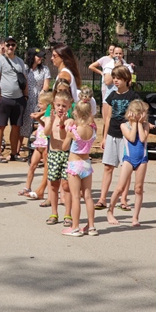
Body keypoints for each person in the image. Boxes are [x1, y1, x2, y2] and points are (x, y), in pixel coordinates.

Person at [94, 66, 140, 211]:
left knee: (125, 168)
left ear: (126, 79)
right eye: (114, 78)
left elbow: (138, 116)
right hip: (112, 135)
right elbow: (108, 117)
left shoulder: (133, 96)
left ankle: (123, 199)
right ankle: (102, 198)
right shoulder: (112, 95)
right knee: (108, 167)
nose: (115, 80)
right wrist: (104, 137)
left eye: (118, 78)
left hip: (126, 136)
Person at [106, 100, 150, 227]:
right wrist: (134, 123)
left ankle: (135, 217)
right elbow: (131, 137)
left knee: (139, 188)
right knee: (120, 187)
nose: (142, 116)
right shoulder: (124, 125)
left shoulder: (145, 125)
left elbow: (142, 138)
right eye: (139, 113)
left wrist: (140, 123)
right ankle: (110, 211)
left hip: (142, 158)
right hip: (129, 158)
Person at [62, 99, 98, 237]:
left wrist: (68, 134)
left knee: (76, 196)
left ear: (76, 112)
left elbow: (64, 147)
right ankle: (92, 226)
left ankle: (75, 227)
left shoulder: (74, 131)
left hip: (75, 164)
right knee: (88, 196)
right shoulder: (93, 129)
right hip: (86, 163)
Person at [0, 36, 28, 163]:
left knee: (16, 127)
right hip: (4, 99)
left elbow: (24, 79)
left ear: (15, 46)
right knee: (0, 126)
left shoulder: (20, 61)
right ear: (4, 46)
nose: (10, 47)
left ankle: (14, 153)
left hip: (19, 99)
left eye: (13, 45)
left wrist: (25, 96)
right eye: (8, 45)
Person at [43, 90, 73, 226]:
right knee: (54, 184)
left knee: (66, 185)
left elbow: (64, 136)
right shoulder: (49, 118)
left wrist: (61, 124)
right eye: (58, 105)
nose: (61, 108)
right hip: (53, 154)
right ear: (53, 105)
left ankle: (68, 214)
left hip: (66, 155)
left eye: (64, 106)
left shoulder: (70, 121)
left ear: (69, 107)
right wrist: (51, 122)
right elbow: (46, 133)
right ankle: (54, 213)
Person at [18, 91, 52, 199]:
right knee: (32, 165)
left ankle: (48, 190)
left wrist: (38, 120)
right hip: (38, 144)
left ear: (47, 105)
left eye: (41, 103)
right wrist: (35, 131)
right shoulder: (40, 113)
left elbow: (46, 126)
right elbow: (40, 128)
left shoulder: (49, 115)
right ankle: (27, 187)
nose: (38, 105)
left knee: (47, 167)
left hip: (46, 144)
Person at [21, 48, 51, 148]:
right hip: (26, 98)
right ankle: (18, 149)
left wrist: (41, 97)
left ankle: (35, 146)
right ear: (32, 57)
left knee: (36, 124)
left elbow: (46, 85)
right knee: (23, 124)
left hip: (38, 100)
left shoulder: (44, 69)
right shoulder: (25, 68)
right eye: (38, 56)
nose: (41, 58)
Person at [100, 46, 134, 133]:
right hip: (110, 95)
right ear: (112, 54)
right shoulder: (108, 66)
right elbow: (107, 82)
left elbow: (130, 82)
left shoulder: (127, 66)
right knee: (107, 120)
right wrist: (115, 69)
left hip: (124, 96)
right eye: (116, 53)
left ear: (123, 54)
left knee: (123, 119)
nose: (118, 55)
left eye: (120, 53)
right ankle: (106, 137)